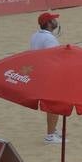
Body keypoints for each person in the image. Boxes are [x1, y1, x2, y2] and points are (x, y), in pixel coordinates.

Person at [29, 12, 63, 143]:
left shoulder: (35, 35)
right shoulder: (49, 39)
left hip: (39, 72)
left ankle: (53, 130)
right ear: (48, 23)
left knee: (53, 104)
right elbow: (52, 58)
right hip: (49, 74)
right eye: (53, 19)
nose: (56, 21)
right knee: (55, 104)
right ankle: (50, 135)